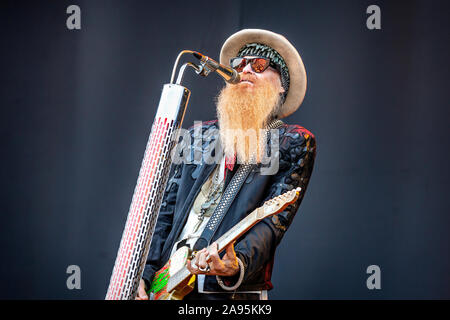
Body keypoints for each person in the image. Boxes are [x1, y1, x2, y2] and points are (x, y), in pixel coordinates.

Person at [136, 29, 316, 300]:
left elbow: (272, 224)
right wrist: (144, 273)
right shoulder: (197, 135)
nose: (246, 70)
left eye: (259, 64)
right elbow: (164, 213)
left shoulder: (292, 141)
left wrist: (237, 263)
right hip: (165, 285)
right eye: (239, 64)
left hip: (228, 293)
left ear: (282, 84)